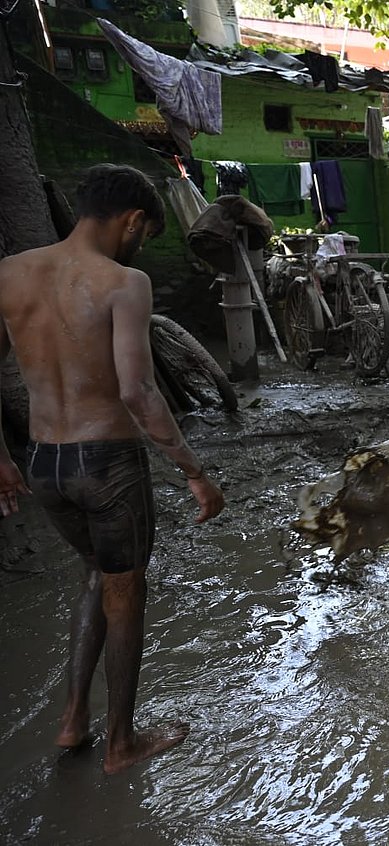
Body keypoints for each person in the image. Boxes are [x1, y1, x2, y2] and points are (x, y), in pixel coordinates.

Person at [0, 164, 225, 774]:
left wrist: (2, 458)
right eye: (144, 233)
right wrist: (194, 469)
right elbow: (138, 391)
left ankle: (74, 722)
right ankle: (122, 744)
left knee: (96, 574)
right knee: (126, 592)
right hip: (107, 465)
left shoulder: (12, 272)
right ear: (131, 221)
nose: (140, 244)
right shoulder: (124, 282)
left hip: (43, 461)